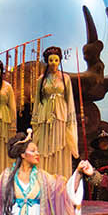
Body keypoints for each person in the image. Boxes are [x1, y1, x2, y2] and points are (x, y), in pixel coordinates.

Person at [31, 46, 80, 177]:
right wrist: (35, 119)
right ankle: (44, 177)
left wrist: (70, 118)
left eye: (56, 60)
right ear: (47, 61)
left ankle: (60, 177)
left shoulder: (65, 78)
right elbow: (37, 100)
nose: (53, 63)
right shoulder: (41, 79)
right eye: (51, 60)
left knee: (60, 144)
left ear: (59, 61)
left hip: (61, 115)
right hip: (45, 115)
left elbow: (69, 99)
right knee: (44, 146)